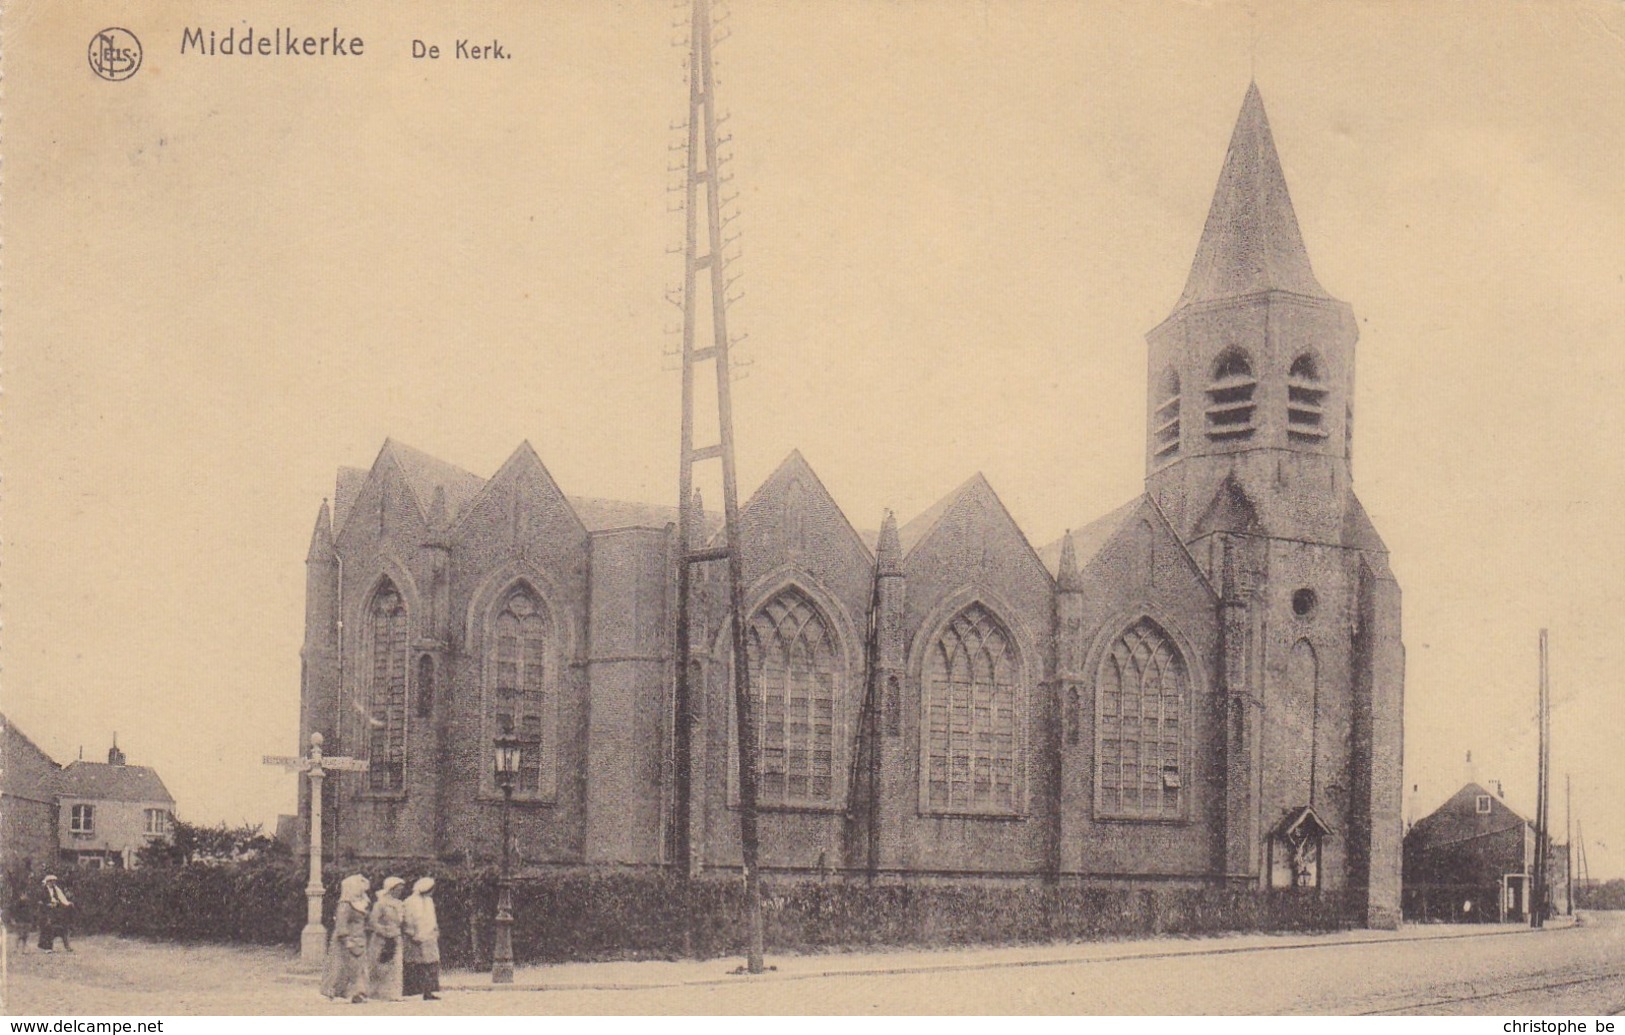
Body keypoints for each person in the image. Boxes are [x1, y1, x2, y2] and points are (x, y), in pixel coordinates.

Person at [320, 874, 371, 1003]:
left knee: (358, 968)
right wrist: (346, 939)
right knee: (341, 967)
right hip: (347, 940)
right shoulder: (345, 904)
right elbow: (341, 924)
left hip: (359, 938)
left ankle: (357, 993)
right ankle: (337, 992)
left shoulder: (362, 902)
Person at [366, 876, 406, 1001]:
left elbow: (401, 921)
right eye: (397, 889)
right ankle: (376, 992)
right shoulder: (380, 904)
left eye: (401, 890)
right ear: (391, 889)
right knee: (379, 965)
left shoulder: (400, 904)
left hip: (396, 938)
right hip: (381, 939)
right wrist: (384, 931)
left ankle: (393, 993)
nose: (399, 892)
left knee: (396, 965)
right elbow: (373, 922)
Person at [401, 877, 441, 1001]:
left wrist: (435, 930)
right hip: (415, 937)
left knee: (431, 964)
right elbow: (408, 919)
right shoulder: (409, 901)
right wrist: (412, 934)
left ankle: (428, 991)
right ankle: (412, 991)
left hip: (429, 937)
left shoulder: (429, 901)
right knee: (416, 964)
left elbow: (431, 917)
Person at [37, 876, 74, 953]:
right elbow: (39, 902)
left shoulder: (56, 889)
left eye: (53, 881)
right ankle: (47, 948)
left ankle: (66, 946)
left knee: (61, 928)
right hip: (44, 912)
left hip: (54, 912)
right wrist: (47, 904)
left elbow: (61, 898)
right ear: (47, 882)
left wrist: (67, 903)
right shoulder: (42, 890)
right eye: (51, 881)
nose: (52, 883)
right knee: (47, 928)